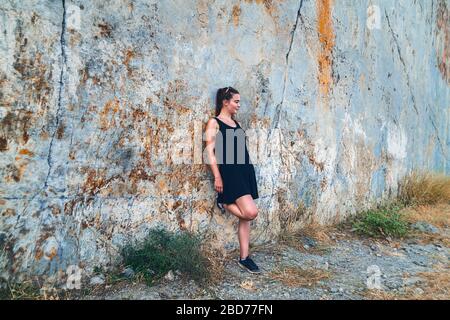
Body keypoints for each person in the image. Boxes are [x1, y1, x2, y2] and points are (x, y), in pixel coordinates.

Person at [204, 86, 260, 274]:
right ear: (225, 102)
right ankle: (225, 204)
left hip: (244, 171)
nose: (238, 105)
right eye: (236, 101)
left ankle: (244, 258)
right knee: (251, 212)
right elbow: (209, 153)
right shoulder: (214, 123)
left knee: (246, 219)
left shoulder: (235, 122)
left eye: (238, 102)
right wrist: (218, 176)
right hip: (230, 174)